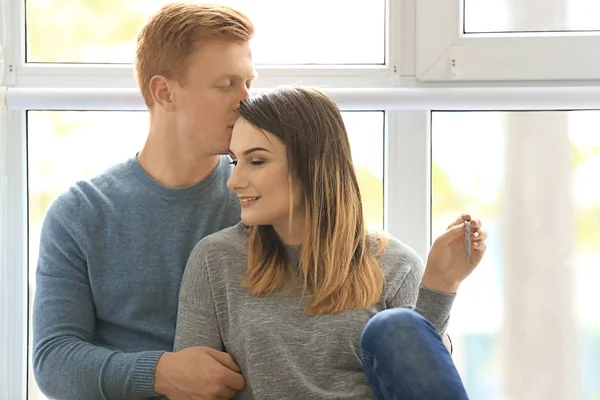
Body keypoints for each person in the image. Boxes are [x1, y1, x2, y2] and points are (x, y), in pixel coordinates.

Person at [173, 86, 487, 399]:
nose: (234, 181)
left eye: (256, 161)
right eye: (233, 162)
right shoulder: (216, 259)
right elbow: (193, 389)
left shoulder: (397, 265)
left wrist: (440, 287)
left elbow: (417, 383)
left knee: (397, 326)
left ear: (310, 165)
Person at [32, 3, 256, 399]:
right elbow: (54, 361)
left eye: (248, 83)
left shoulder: (261, 200)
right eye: (227, 84)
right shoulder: (80, 213)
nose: (247, 100)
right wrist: (161, 371)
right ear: (164, 92)